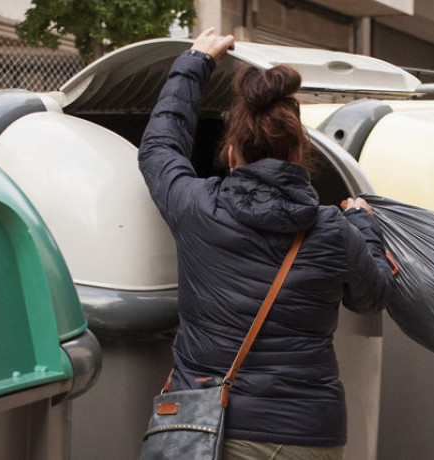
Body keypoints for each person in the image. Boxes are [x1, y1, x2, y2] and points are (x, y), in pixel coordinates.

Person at [137, 28, 394, 460]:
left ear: (233, 153)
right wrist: (363, 223)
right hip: (307, 434)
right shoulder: (333, 229)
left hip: (209, 427)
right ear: (299, 153)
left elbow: (159, 147)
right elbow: (373, 296)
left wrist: (195, 62)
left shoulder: (196, 207)